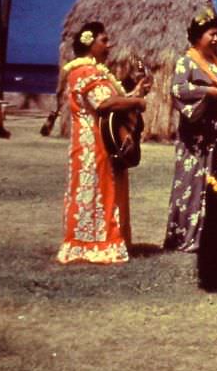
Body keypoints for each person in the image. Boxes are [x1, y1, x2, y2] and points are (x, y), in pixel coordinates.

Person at [57, 22, 150, 264]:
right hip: (91, 141)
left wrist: (136, 93)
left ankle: (105, 238)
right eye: (104, 41)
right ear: (90, 43)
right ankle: (91, 244)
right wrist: (137, 103)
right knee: (97, 189)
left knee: (107, 189)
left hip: (102, 138)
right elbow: (104, 104)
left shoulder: (96, 71)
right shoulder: (83, 72)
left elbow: (110, 100)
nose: (109, 46)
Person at [164, 9, 217, 253]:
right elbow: (178, 90)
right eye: (211, 34)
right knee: (193, 184)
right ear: (198, 36)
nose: (216, 39)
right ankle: (186, 237)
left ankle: (215, 235)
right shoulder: (186, 62)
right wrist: (206, 92)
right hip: (196, 138)